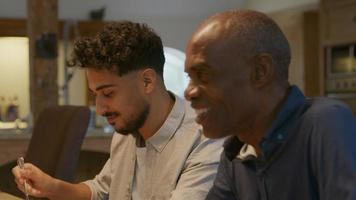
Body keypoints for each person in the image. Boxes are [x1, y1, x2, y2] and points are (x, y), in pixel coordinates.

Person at [13, 21, 225, 200]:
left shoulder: (205, 138)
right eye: (96, 94)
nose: (99, 109)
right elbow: (101, 190)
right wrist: (52, 187)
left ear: (147, 82)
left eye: (108, 93)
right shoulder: (128, 128)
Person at [184, 9, 356, 200]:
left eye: (204, 75)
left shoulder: (326, 124)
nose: (189, 92)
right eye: (189, 77)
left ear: (260, 71)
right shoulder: (236, 153)